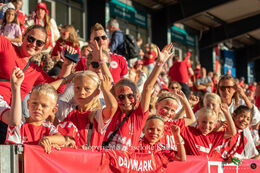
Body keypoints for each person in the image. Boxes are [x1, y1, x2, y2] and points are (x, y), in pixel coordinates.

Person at [0, 25, 75, 144]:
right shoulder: (6, 45)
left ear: (43, 47)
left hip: (10, 115)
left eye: (39, 43)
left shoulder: (35, 71)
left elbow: (58, 89)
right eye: (30, 39)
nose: (33, 44)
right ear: (23, 37)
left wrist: (67, 64)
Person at [103, 43, 174, 150]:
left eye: (130, 96)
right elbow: (108, 80)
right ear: (115, 97)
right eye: (121, 97)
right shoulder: (113, 111)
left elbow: (148, 87)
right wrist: (101, 62)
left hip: (126, 165)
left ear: (137, 96)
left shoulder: (139, 116)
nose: (126, 100)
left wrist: (159, 63)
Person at [5, 72, 74, 153]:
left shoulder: (48, 126)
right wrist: (40, 149)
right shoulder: (17, 124)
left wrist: (48, 140)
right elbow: (13, 154)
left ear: (53, 111)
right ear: (28, 104)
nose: (38, 108)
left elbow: (62, 139)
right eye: (34, 103)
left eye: (44, 105)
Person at [57, 70, 117, 148]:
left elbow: (112, 107)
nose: (81, 92)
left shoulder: (97, 115)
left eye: (87, 89)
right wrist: (65, 80)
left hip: (91, 159)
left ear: (97, 93)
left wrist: (105, 89)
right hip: (68, 158)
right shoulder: (67, 109)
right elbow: (39, 95)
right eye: (77, 88)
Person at [217, 74, 260, 158]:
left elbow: (255, 119)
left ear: (234, 89)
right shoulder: (213, 105)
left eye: (229, 87)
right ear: (218, 89)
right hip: (222, 151)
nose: (226, 90)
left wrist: (243, 96)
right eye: (222, 88)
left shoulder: (240, 103)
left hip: (244, 150)